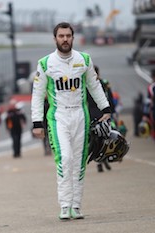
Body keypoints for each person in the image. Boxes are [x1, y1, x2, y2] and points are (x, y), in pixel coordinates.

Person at [31, 22, 111, 220]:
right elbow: (37, 95)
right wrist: (37, 122)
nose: (65, 39)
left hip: (80, 116)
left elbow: (95, 85)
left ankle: (76, 206)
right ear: (55, 39)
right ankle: (64, 204)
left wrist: (106, 108)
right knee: (65, 158)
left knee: (79, 162)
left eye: (68, 35)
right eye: (61, 36)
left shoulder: (84, 59)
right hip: (58, 116)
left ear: (73, 38)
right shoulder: (45, 63)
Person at [86, 66, 115, 173]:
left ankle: (102, 158)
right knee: (99, 138)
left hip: (97, 112)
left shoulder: (101, 83)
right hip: (97, 113)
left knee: (101, 137)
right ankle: (101, 160)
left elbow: (110, 98)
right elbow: (110, 98)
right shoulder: (100, 83)